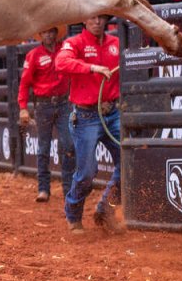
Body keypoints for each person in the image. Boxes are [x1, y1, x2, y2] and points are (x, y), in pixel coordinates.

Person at [55, 15, 121, 234]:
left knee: (130, 162)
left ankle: (105, 208)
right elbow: (61, 63)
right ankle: (73, 214)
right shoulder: (74, 43)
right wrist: (92, 68)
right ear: (84, 21)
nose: (98, 22)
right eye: (93, 18)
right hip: (85, 116)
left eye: (101, 18)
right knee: (86, 173)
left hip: (112, 112)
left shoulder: (116, 43)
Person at [18, 26, 75, 203]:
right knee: (43, 147)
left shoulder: (65, 50)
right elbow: (24, 83)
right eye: (45, 32)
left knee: (68, 146)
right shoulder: (34, 55)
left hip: (64, 103)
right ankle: (43, 188)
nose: (49, 35)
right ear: (41, 35)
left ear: (56, 33)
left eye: (51, 31)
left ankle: (68, 189)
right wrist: (23, 107)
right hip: (43, 105)